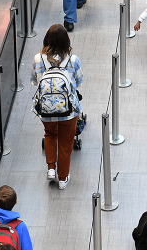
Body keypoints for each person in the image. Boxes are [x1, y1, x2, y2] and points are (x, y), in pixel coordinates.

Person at [30, 24, 84, 190]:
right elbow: (79, 81)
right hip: (69, 111)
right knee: (66, 143)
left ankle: (51, 169)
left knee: (50, 134)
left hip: (45, 110)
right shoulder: (73, 59)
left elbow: (34, 81)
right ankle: (63, 178)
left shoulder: (38, 58)